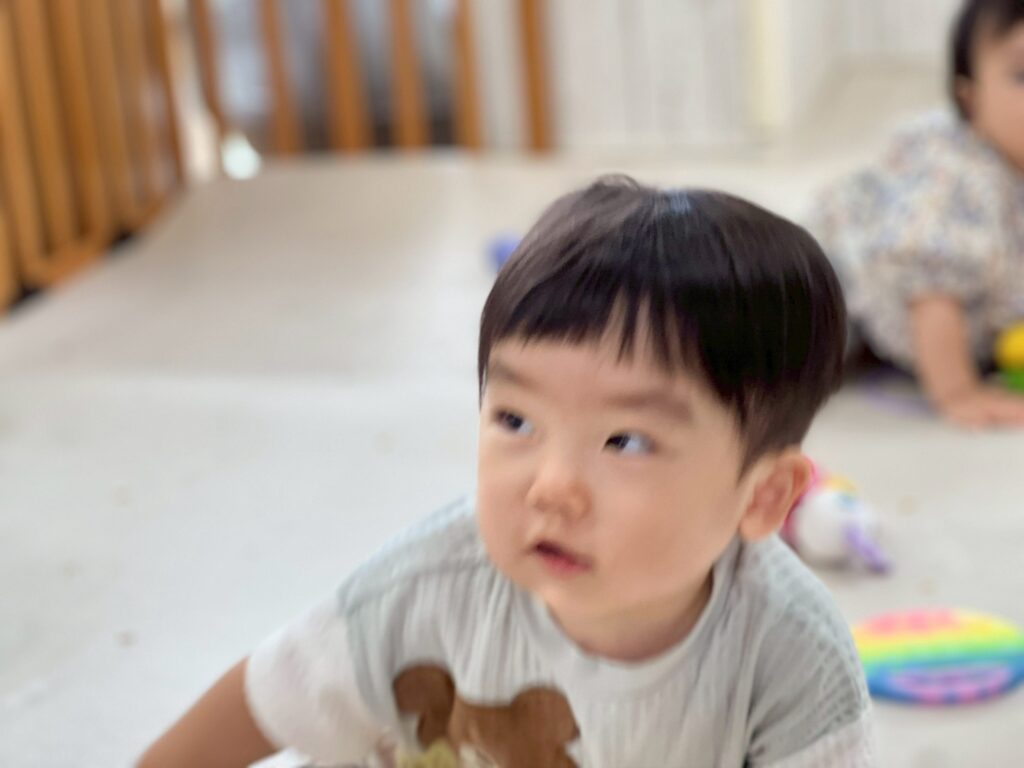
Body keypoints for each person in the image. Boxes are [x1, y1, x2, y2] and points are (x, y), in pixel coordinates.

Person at [140, 177, 873, 767]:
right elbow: (267, 700)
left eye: (624, 441)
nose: (550, 487)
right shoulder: (424, 589)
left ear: (764, 496)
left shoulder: (790, 652)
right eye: (515, 421)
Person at [809, 0, 1024, 428]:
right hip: (838, 281)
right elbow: (931, 288)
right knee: (802, 351)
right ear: (970, 98)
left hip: (967, 312)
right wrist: (959, 392)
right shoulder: (956, 178)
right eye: (1022, 76)